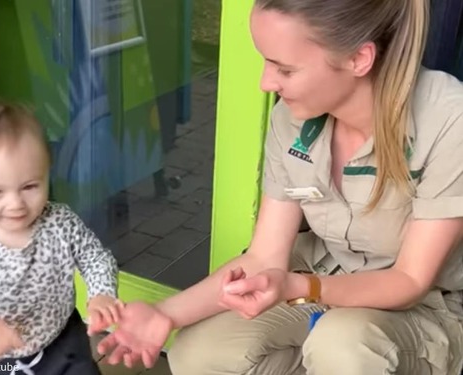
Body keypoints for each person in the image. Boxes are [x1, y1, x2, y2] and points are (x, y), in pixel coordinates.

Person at [93, 0, 463, 374]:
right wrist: (164, 314)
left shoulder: (447, 120)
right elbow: (263, 258)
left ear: (359, 59)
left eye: (284, 68)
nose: (266, 83)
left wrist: (299, 288)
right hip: (322, 275)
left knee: (341, 346)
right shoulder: (290, 119)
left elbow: (410, 280)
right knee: (197, 352)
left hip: (424, 308)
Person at [0, 98, 121, 375]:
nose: (15, 204)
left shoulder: (60, 222)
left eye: (29, 186)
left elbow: (95, 258)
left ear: (46, 172)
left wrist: (101, 294)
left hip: (60, 341)